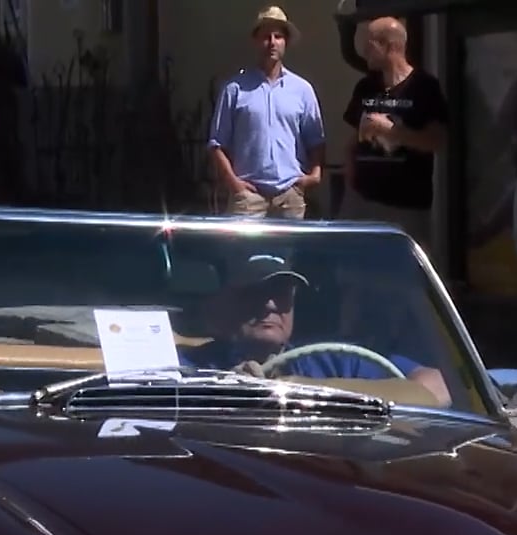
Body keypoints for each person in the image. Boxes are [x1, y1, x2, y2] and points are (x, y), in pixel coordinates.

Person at [182, 253, 452, 406]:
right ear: (226, 301)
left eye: (282, 291)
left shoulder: (332, 360)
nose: (271, 303)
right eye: (254, 291)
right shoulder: (195, 365)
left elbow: (439, 387)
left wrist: (303, 389)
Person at [339, 16, 448, 252]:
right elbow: (351, 141)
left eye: (371, 42)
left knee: (402, 277)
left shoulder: (424, 87)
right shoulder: (365, 87)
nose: (365, 49)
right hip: (361, 201)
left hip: (405, 205)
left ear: (391, 46)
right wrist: (351, 185)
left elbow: (437, 141)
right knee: (355, 272)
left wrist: (392, 131)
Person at [207, 7, 325, 220]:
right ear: (256, 41)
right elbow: (217, 144)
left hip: (289, 195)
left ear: (285, 42)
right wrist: (234, 183)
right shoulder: (234, 88)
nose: (272, 42)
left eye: (278, 36)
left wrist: (314, 176)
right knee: (243, 253)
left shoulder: (302, 90)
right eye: (266, 37)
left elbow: (315, 139)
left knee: (288, 254)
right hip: (248, 197)